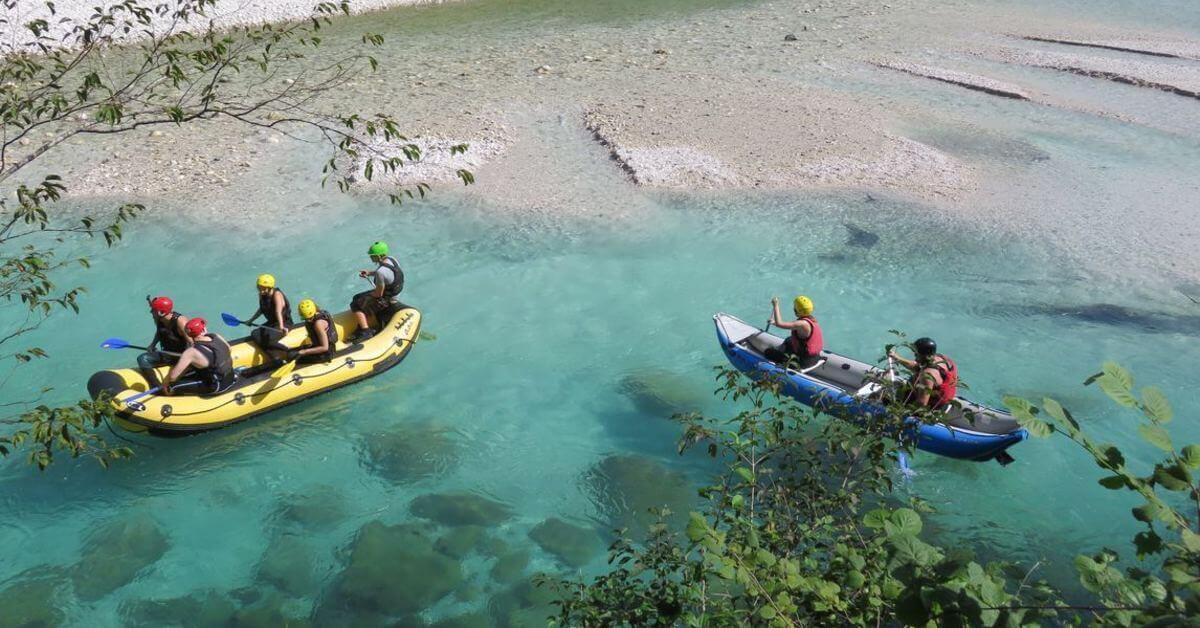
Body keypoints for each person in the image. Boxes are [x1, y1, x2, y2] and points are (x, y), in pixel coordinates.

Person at [162, 318, 235, 396]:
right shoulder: (216, 336)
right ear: (203, 330)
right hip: (230, 376)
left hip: (217, 386)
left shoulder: (191, 352)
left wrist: (167, 382)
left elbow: (173, 377)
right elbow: (229, 349)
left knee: (172, 386)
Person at [349, 241, 404, 342]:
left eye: (372, 256)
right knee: (361, 298)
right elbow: (388, 274)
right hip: (395, 292)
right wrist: (370, 273)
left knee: (356, 302)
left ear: (379, 256)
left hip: (388, 299)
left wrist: (364, 299)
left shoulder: (380, 272)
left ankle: (366, 331)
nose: (370, 258)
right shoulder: (392, 260)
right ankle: (367, 319)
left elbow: (378, 294)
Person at [888, 337, 958, 411]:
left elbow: (922, 403)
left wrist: (897, 409)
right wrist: (896, 357)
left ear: (923, 355)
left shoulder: (927, 375)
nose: (915, 358)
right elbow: (917, 366)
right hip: (943, 399)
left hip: (933, 407)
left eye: (916, 354)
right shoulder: (941, 358)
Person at [138, 296, 190, 386]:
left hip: (182, 356)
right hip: (167, 354)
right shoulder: (159, 319)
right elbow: (160, 332)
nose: (151, 312)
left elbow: (193, 342)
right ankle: (157, 387)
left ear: (161, 312)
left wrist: (188, 358)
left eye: (153, 310)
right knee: (142, 359)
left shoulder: (181, 322)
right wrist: (152, 345)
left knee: (172, 379)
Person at [765, 295, 824, 369]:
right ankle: (786, 353)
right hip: (814, 356)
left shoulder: (802, 324)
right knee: (789, 340)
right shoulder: (812, 320)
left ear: (797, 310)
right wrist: (773, 322)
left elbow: (779, 324)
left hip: (803, 362)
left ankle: (787, 363)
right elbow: (791, 326)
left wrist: (776, 305)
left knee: (768, 352)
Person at [245, 274, 293, 357]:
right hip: (272, 323)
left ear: (270, 287)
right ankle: (276, 358)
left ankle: (288, 350)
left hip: (284, 322)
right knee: (255, 334)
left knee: (269, 339)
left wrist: (281, 327)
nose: (261, 290)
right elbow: (261, 309)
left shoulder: (277, 294)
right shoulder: (262, 294)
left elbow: (278, 311)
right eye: (259, 288)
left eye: (263, 288)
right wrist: (251, 320)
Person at [290, 299, 339, 364]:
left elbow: (325, 347)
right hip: (317, 346)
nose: (308, 321)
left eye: (310, 318)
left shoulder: (318, 324)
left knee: (295, 358)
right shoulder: (319, 313)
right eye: (306, 319)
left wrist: (305, 352)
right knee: (291, 353)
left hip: (326, 353)